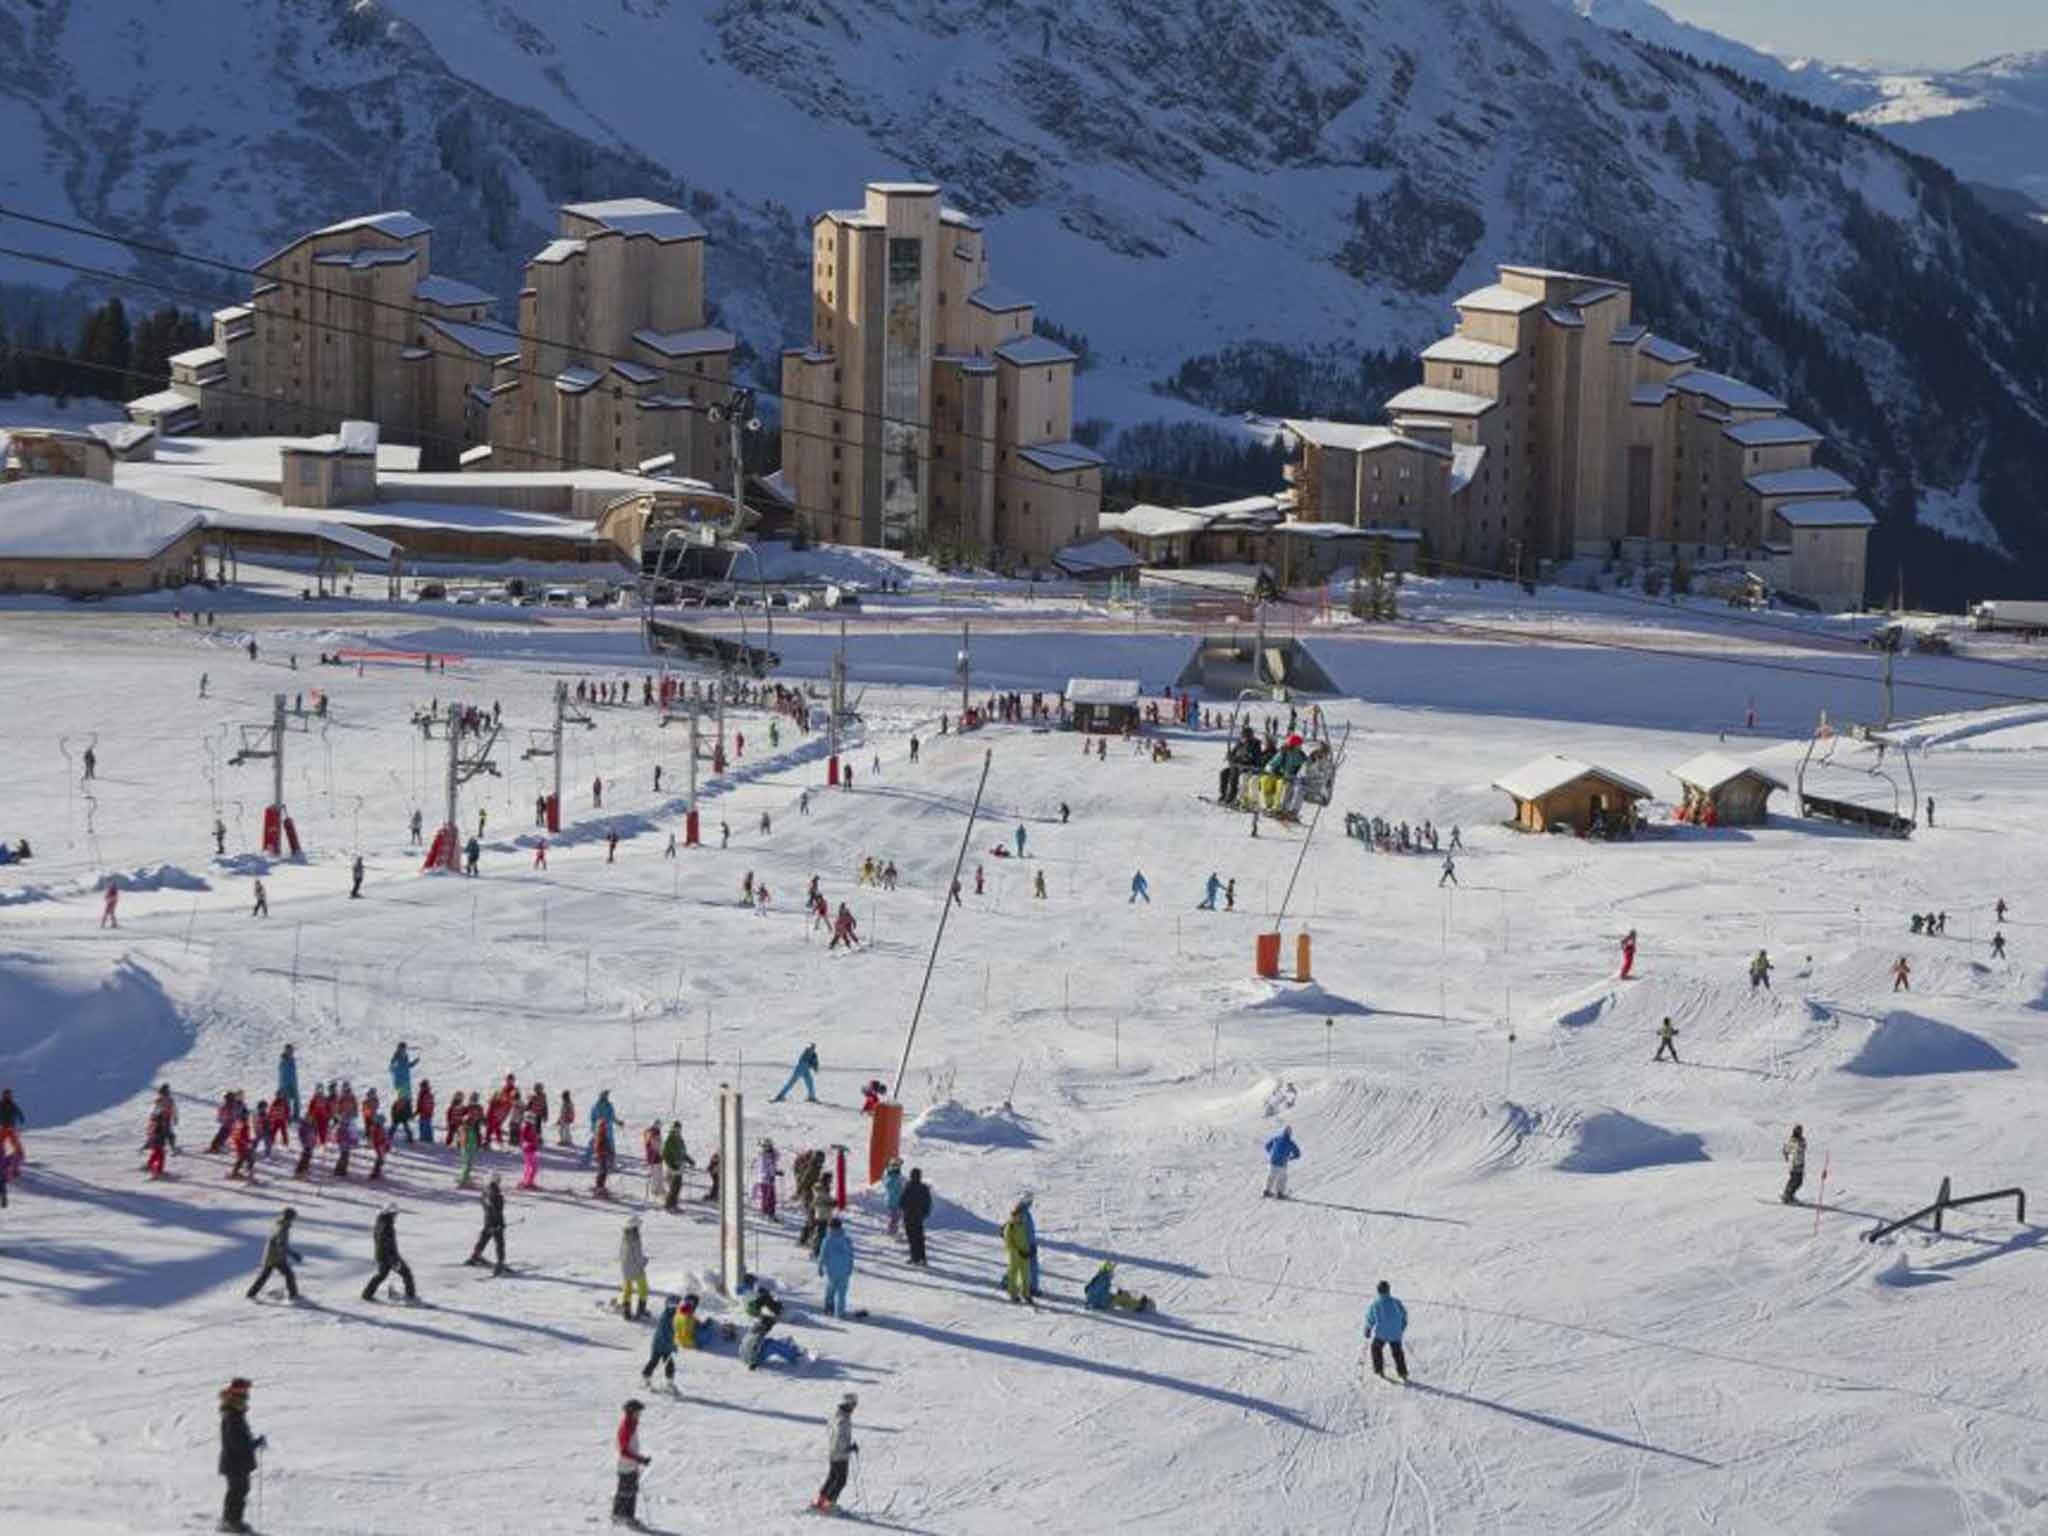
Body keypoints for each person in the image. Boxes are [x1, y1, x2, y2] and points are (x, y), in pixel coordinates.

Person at [217, 1378, 266, 1534]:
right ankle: (231, 1522)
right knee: (237, 1491)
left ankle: (232, 1521)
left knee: (239, 1491)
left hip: (236, 1462)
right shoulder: (233, 1415)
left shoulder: (235, 1412)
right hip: (235, 1462)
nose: (247, 1393)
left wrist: (253, 1442)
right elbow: (237, 1442)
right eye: (245, 1390)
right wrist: (254, 1444)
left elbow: (240, 1439)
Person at [814, 1394, 859, 1515]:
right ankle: (828, 1504)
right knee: (840, 1480)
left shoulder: (837, 1415)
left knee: (832, 1478)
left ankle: (820, 1502)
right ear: (849, 1404)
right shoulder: (843, 1420)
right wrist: (848, 1448)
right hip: (840, 1454)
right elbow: (839, 1437)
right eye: (854, 1404)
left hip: (834, 1452)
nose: (855, 1407)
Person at [246, 1207, 302, 1301]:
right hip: (276, 1257)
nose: (294, 1220)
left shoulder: (280, 1224)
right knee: (289, 1275)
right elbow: (281, 1245)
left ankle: (251, 1294)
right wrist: (293, 1254)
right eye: (293, 1218)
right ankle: (294, 1296)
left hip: (272, 1255)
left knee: (264, 1276)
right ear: (289, 1217)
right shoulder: (282, 1228)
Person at [363, 1204, 417, 1301]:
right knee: (407, 1274)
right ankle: (411, 1296)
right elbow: (386, 1244)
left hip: (381, 1256)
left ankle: (367, 1294)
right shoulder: (386, 1226)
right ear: (390, 1213)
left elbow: (381, 1242)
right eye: (395, 1214)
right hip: (389, 1257)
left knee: (381, 1275)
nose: (396, 1216)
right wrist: (394, 1260)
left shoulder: (380, 1222)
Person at [613, 1398, 652, 1528]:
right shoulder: (626, 1427)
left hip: (630, 1464)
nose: (639, 1415)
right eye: (637, 1412)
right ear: (630, 1412)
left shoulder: (631, 1425)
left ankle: (620, 1515)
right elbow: (624, 1450)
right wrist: (640, 1459)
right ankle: (625, 1517)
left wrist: (639, 1459)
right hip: (626, 1464)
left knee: (630, 1490)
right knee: (627, 1491)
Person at [1364, 1279, 1411, 1382]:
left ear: (1378, 1291)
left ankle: (1379, 1369)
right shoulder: (1396, 1302)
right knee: (1397, 1352)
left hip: (1382, 1334)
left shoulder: (1375, 1305)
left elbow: (1370, 1318)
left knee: (1376, 1348)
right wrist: (1402, 1326)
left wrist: (1368, 1328)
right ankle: (1402, 1373)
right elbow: (1404, 1315)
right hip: (1395, 1333)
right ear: (1389, 1290)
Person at [467, 1174, 508, 1273]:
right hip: (495, 1223)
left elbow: (485, 1205)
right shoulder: (497, 1196)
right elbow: (498, 1211)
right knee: (499, 1242)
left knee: (484, 1238)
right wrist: (501, 1224)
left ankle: (476, 1255)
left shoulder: (485, 1193)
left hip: (488, 1220)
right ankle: (500, 1263)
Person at [642, 1294, 684, 1387]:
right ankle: (646, 1376)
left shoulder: (675, 1315)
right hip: (658, 1345)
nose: (676, 1307)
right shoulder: (665, 1318)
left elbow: (674, 1332)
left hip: (666, 1345)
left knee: (670, 1364)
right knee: (654, 1361)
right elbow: (662, 1335)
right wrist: (671, 1346)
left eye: (677, 1305)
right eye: (674, 1305)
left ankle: (670, 1382)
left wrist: (675, 1343)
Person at [818, 1216, 856, 1317]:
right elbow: (851, 1254)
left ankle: (829, 1307)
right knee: (842, 1292)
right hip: (844, 1270)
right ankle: (840, 1312)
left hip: (832, 1270)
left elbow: (822, 1254)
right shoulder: (846, 1239)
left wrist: (820, 1267)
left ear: (830, 1227)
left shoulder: (827, 1240)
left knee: (831, 1289)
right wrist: (850, 1267)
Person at [1083, 1260, 1151, 1312]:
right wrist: (1091, 1303)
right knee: (1121, 1298)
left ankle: (1132, 1303)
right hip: (1101, 1303)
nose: (1112, 1273)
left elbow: (1088, 1289)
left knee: (1122, 1296)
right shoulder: (1103, 1278)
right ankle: (1139, 1305)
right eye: (1111, 1270)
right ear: (1108, 1271)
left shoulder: (1099, 1277)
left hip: (1100, 1300)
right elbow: (1095, 1291)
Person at [1002, 1201, 1035, 1304]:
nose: (1018, 1218)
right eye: (1016, 1216)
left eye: (1019, 1216)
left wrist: (1030, 1249)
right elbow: (1008, 1242)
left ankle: (1026, 1293)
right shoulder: (1010, 1227)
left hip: (1024, 1253)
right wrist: (1017, 1251)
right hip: (1014, 1254)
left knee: (1026, 1275)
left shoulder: (1022, 1225)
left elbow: (1026, 1238)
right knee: (1013, 1273)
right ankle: (1013, 1293)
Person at [619, 1215, 650, 1318]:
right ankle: (641, 1309)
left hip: (625, 1267)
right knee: (643, 1288)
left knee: (627, 1289)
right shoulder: (635, 1238)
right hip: (636, 1268)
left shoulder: (624, 1236)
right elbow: (637, 1255)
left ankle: (626, 1311)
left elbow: (622, 1253)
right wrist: (644, 1261)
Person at [661, 1121, 693, 1210]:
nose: (678, 1130)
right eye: (676, 1128)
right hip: (672, 1167)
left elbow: (683, 1152)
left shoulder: (680, 1139)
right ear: (673, 1129)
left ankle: (674, 1205)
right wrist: (671, 1165)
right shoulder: (670, 1140)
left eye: (679, 1128)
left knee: (678, 1187)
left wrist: (689, 1160)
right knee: (674, 1186)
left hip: (679, 1167)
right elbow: (665, 1154)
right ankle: (668, 1205)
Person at [1263, 1124, 1301, 1199]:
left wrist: (1271, 1153)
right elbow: (1297, 1153)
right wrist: (1292, 1157)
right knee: (1282, 1177)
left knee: (1271, 1176)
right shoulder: (1290, 1142)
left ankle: (1266, 1191)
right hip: (1282, 1163)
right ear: (1290, 1133)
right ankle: (1279, 1193)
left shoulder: (1276, 1138)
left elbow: (1267, 1146)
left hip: (1273, 1161)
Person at [1781, 1124, 1807, 1205]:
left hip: (1799, 1163)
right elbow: (1786, 1149)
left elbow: (1803, 1148)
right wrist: (1786, 1155)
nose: (1800, 1132)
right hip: (1795, 1164)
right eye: (1798, 1130)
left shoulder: (1800, 1140)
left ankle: (1788, 1195)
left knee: (1797, 1181)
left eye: (1801, 1130)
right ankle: (1788, 1197)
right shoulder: (1793, 1141)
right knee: (1795, 1181)